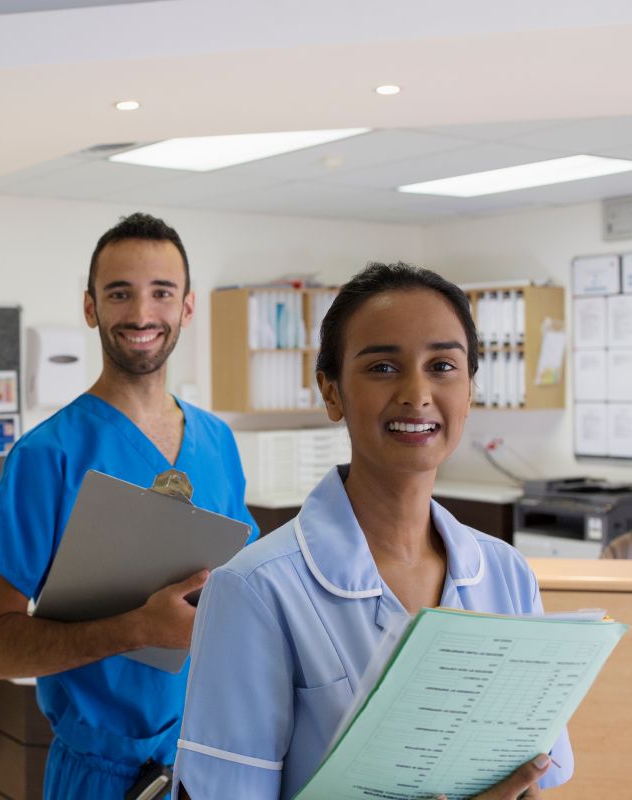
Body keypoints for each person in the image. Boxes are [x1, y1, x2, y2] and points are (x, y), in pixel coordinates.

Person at [173, 263, 573, 800]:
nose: (417, 392)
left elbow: (538, 774)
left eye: (443, 365)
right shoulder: (254, 590)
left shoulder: (506, 574)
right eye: (383, 366)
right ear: (331, 392)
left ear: (471, 390)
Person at [0, 212, 259, 799]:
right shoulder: (47, 455)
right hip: (100, 778)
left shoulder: (218, 441)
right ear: (90, 307)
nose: (142, 313)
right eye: (120, 293)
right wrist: (136, 629)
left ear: (187, 307)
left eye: (161, 293)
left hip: (208, 762)